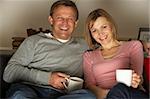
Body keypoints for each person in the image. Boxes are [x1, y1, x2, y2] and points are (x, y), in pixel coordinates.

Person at [3, 0, 95, 99]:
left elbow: (109, 48)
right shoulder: (33, 41)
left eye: (70, 19)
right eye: (60, 18)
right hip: (30, 89)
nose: (65, 23)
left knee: (88, 96)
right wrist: (48, 78)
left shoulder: (85, 44)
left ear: (76, 23)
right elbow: (9, 73)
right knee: (20, 96)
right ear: (51, 20)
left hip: (65, 95)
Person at [83, 8, 149, 99]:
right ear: (91, 34)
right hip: (104, 96)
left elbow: (138, 77)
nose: (100, 33)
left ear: (111, 26)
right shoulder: (88, 56)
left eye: (104, 27)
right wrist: (110, 94)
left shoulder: (133, 45)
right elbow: (89, 85)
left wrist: (136, 80)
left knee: (119, 88)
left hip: (131, 94)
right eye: (94, 30)